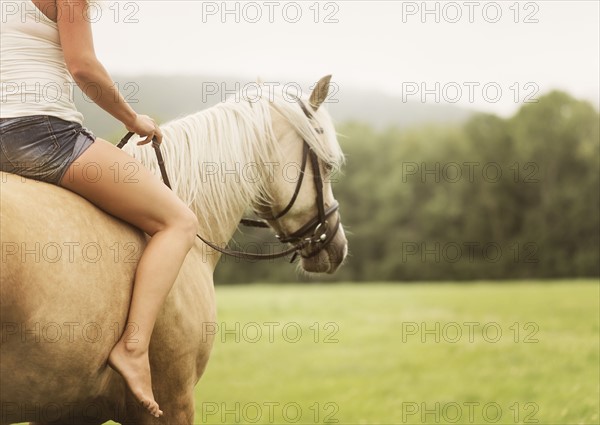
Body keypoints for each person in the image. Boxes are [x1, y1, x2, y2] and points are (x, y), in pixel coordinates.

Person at [0, 0, 198, 417]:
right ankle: (133, 348)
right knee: (178, 221)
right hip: (44, 135)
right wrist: (132, 120)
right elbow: (84, 67)